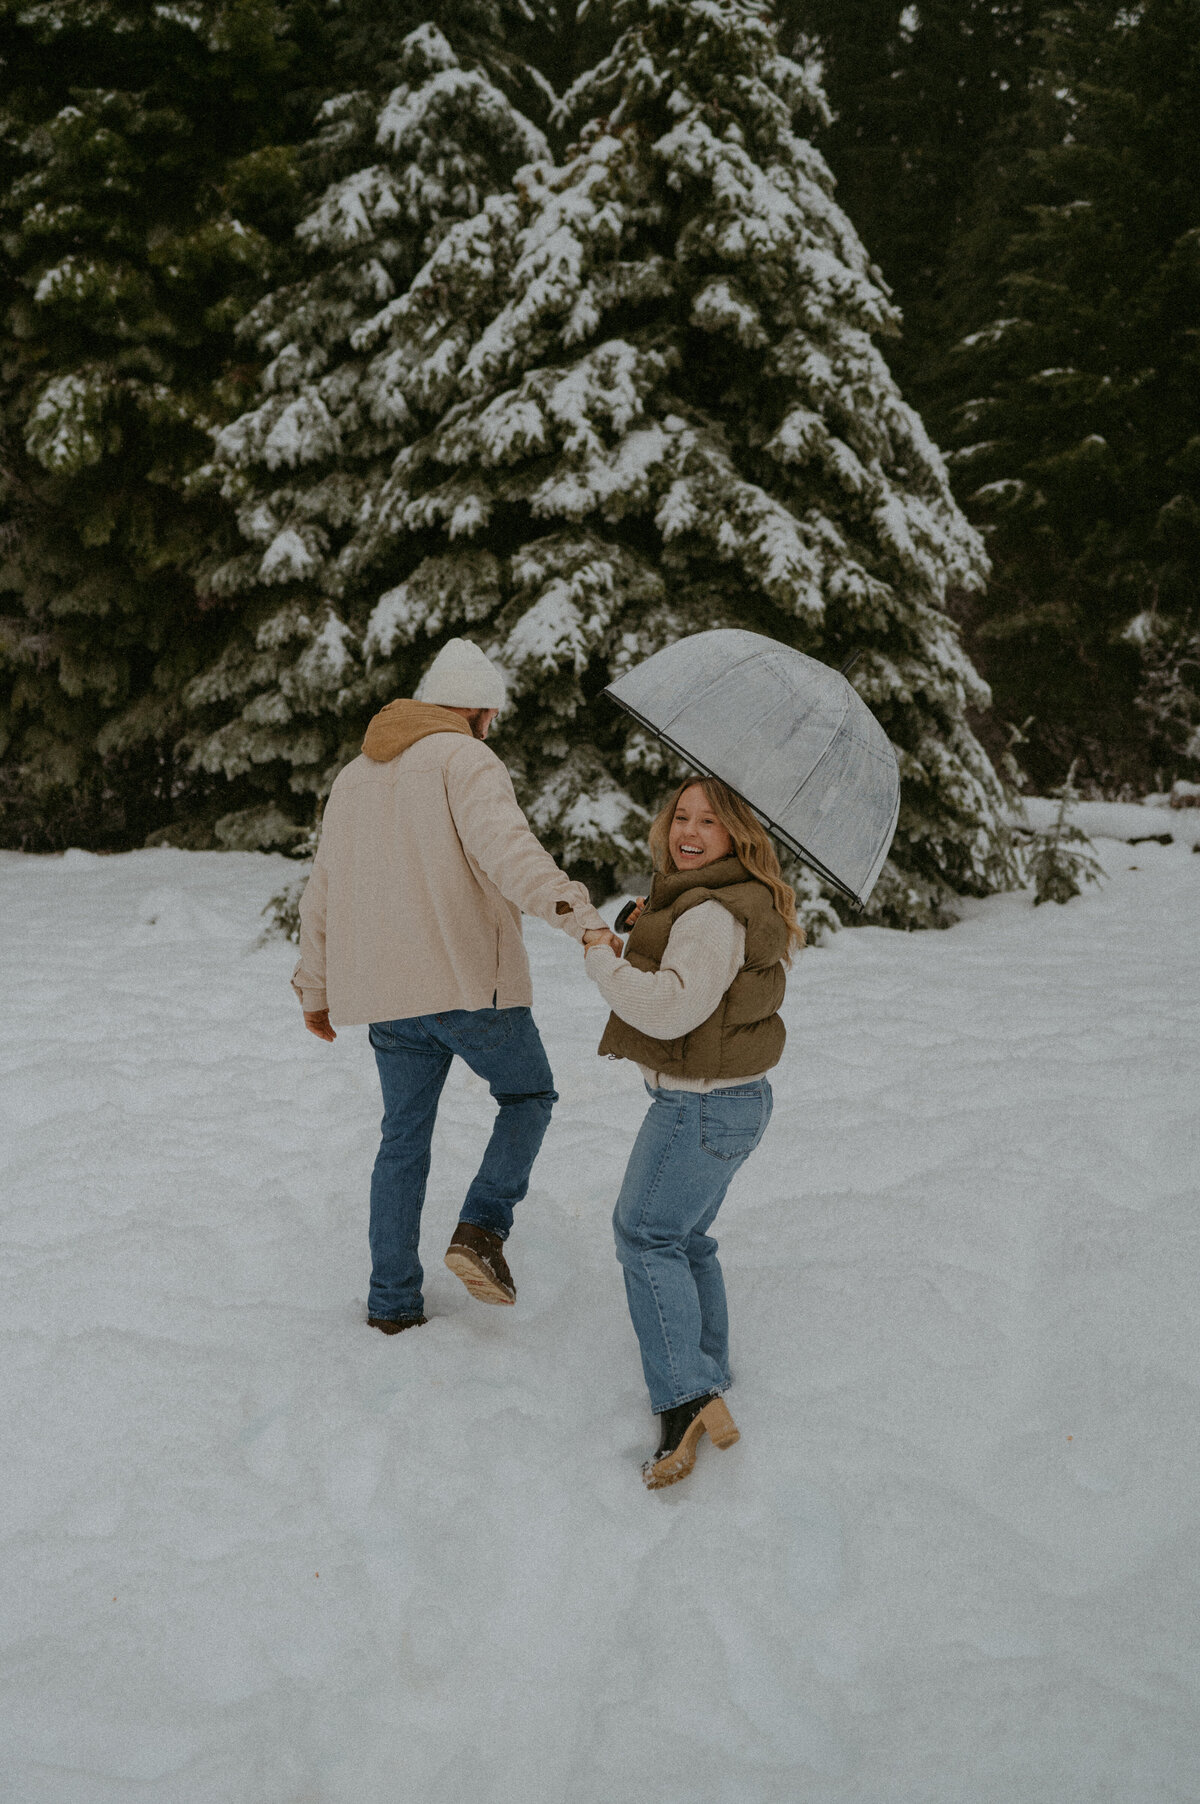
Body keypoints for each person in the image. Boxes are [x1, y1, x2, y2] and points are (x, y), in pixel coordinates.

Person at [292, 636, 620, 1334]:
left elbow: (321, 892)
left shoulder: (354, 776)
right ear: (477, 712)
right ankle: (480, 1229)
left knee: (402, 1142)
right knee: (528, 1094)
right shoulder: (466, 759)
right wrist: (583, 921)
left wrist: (314, 991)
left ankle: (391, 1305)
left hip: (387, 1001)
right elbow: (511, 856)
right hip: (470, 988)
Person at [583, 776, 804, 1488]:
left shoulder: (709, 915)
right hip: (736, 1102)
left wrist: (601, 958)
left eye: (711, 821)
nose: (690, 831)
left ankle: (684, 1397)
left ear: (739, 835)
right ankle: (710, 1371)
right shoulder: (720, 901)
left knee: (644, 1237)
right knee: (684, 1238)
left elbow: (671, 1008)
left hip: (698, 1108)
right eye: (683, 815)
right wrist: (654, 921)